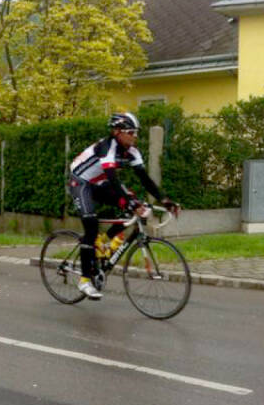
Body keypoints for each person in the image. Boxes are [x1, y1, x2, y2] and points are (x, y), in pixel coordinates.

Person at [68, 112, 181, 300]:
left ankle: (104, 241)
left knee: (135, 205)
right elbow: (113, 179)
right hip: (81, 183)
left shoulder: (132, 152)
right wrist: (128, 203)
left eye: (136, 132)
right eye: (130, 132)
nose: (134, 136)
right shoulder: (107, 147)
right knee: (90, 224)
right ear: (117, 132)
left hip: (100, 182)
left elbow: (145, 179)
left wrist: (165, 200)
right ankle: (85, 280)